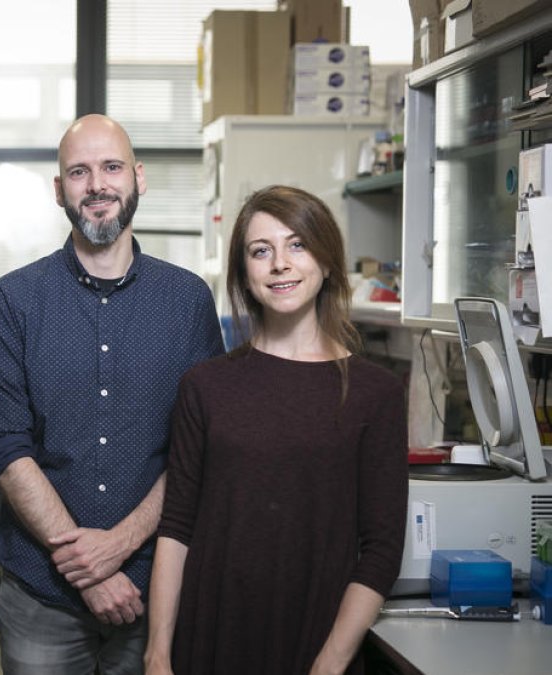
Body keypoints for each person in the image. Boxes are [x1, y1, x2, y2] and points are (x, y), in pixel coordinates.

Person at [0, 114, 224, 674]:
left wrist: (120, 547)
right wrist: (90, 569)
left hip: (154, 587)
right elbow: (8, 451)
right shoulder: (13, 302)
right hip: (42, 595)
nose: (97, 185)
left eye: (111, 167)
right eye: (79, 172)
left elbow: (197, 450)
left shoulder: (187, 303)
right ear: (59, 188)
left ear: (138, 177)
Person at [144, 185, 408, 675]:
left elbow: (382, 548)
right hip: (211, 637)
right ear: (245, 274)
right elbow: (176, 529)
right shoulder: (205, 386)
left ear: (327, 262)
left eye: (298, 245)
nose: (280, 263)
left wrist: (331, 661)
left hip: (316, 638)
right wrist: (158, 653)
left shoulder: (377, 394)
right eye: (261, 251)